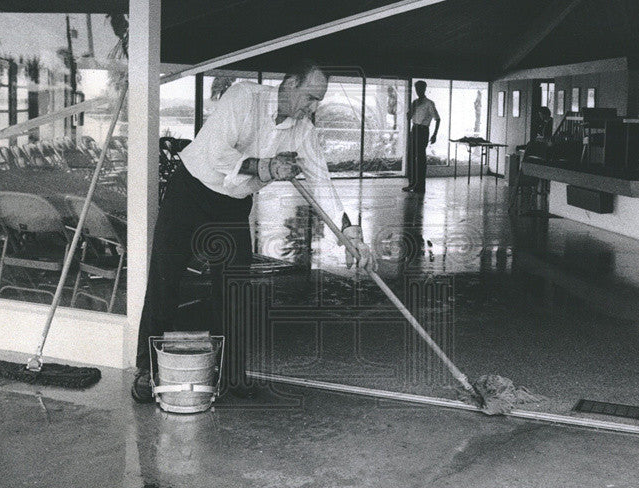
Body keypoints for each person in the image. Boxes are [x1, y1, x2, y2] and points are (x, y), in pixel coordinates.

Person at [133, 60, 374, 402]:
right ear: (290, 82)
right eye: (309, 97)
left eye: (318, 100)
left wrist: (349, 233)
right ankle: (146, 369)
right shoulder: (245, 96)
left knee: (233, 289)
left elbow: (323, 182)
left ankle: (231, 376)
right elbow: (217, 153)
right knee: (165, 278)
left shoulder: (303, 130)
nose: (312, 107)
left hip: (231, 203)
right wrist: (266, 166)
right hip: (190, 191)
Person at [403, 80, 441, 193]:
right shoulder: (415, 102)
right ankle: (411, 184)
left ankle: (420, 186)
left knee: (420, 159)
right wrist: (410, 111)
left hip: (423, 131)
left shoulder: (429, 103)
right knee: (411, 157)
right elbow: (409, 117)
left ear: (424, 89)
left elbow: (438, 119)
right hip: (414, 129)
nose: (418, 91)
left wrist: (434, 135)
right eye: (416, 89)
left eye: (420, 88)